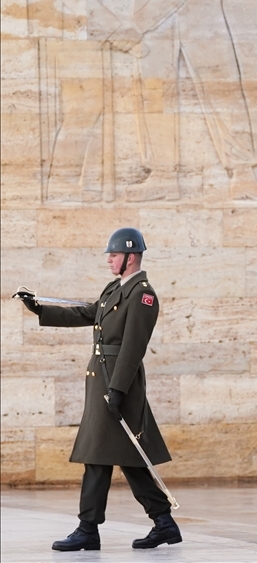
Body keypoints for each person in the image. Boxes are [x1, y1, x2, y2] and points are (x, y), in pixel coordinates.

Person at [17, 228, 180, 551]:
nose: (109, 259)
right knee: (124, 457)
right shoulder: (114, 288)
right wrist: (40, 310)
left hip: (118, 383)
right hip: (103, 381)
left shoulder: (143, 294)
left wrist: (118, 389)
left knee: (100, 455)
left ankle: (88, 528)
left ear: (130, 258)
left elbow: (133, 347)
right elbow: (87, 314)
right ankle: (163, 522)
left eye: (115, 255)